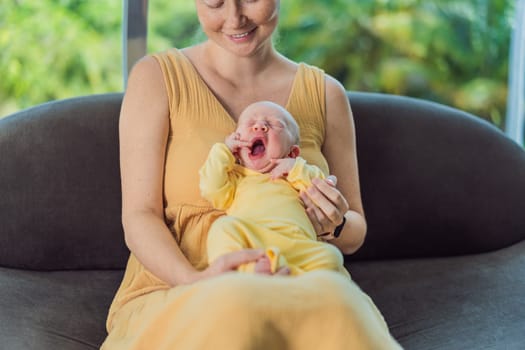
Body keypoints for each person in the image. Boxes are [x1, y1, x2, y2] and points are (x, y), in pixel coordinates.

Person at [102, 0, 402, 349]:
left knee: (337, 303)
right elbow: (140, 216)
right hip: (177, 287)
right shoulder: (155, 77)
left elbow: (355, 230)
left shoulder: (326, 94)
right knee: (236, 306)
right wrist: (198, 281)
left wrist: (334, 222)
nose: (234, 17)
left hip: (299, 279)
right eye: (215, 1)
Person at [201, 100, 346, 275]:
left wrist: (294, 167)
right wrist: (224, 150)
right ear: (237, 148)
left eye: (276, 125)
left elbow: (321, 189)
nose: (260, 126)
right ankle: (248, 271)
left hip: (298, 244)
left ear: (292, 152)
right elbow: (210, 188)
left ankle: (290, 276)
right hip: (252, 240)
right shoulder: (237, 178)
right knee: (222, 228)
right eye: (250, 123)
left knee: (332, 256)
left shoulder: (297, 174)